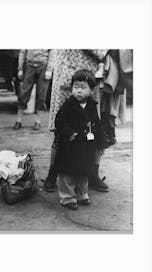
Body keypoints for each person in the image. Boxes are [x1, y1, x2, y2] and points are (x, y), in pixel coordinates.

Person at [44, 49, 110, 193]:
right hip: (67, 70)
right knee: (62, 129)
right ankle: (53, 174)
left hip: (90, 74)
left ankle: (92, 174)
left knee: (91, 128)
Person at [54, 69, 106, 210]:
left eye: (83, 88)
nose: (78, 91)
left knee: (84, 171)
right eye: (76, 87)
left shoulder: (92, 106)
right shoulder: (68, 105)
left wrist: (100, 142)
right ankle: (67, 197)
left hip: (85, 145)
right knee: (68, 172)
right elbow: (59, 121)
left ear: (91, 90)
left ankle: (82, 194)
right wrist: (69, 133)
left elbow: (96, 124)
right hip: (70, 145)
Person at [13, 49, 55, 131]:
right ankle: (18, 120)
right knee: (24, 93)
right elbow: (22, 52)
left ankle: (38, 121)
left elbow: (52, 52)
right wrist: (20, 69)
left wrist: (49, 70)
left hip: (43, 66)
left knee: (42, 94)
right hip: (29, 65)